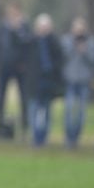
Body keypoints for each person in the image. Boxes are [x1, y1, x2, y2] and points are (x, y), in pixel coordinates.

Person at [24, 14, 63, 147]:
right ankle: (34, 137)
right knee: (33, 109)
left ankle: (43, 137)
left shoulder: (54, 42)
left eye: (46, 27)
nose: (43, 29)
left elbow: (59, 60)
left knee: (46, 110)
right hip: (34, 82)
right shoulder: (31, 41)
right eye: (41, 27)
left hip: (48, 82)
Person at [60, 17, 94, 148]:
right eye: (76, 29)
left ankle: (76, 138)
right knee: (69, 109)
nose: (78, 32)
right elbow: (62, 58)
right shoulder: (66, 40)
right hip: (70, 80)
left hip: (84, 81)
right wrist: (73, 46)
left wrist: (85, 51)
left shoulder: (91, 42)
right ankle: (68, 136)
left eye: (81, 29)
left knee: (81, 112)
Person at [0, 3, 32, 138]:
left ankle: (25, 127)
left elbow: (27, 45)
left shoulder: (24, 28)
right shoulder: (2, 28)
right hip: (4, 67)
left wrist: (17, 30)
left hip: (20, 68)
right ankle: (0, 126)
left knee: (23, 97)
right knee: (1, 98)